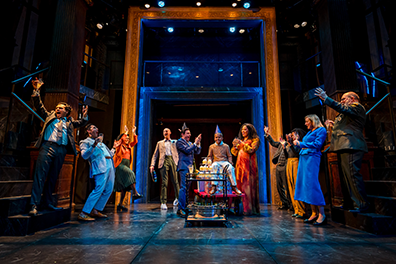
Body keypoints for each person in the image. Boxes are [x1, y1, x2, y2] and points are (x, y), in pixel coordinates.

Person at [29, 78, 89, 216]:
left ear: (66, 112)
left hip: (61, 150)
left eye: (60, 108)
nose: (57, 109)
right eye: (56, 107)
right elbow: (38, 105)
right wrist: (37, 90)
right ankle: (34, 205)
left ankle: (48, 203)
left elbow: (81, 123)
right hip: (47, 147)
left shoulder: (69, 122)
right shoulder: (49, 116)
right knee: (40, 176)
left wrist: (85, 116)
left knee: (53, 177)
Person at [315, 88, 369, 213]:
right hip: (344, 145)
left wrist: (326, 98)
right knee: (345, 177)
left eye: (344, 98)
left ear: (352, 99)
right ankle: (349, 203)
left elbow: (343, 109)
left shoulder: (357, 107)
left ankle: (361, 204)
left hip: (351, 145)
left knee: (352, 175)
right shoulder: (348, 111)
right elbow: (348, 124)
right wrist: (334, 125)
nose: (342, 101)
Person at [293, 114, 327, 225]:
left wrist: (301, 143)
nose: (305, 123)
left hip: (312, 158)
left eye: (307, 121)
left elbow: (317, 144)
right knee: (306, 185)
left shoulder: (321, 130)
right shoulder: (309, 132)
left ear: (313, 121)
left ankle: (322, 214)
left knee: (313, 184)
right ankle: (314, 213)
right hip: (304, 158)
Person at [78, 124, 115, 221]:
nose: (97, 129)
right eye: (94, 128)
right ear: (88, 131)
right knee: (98, 189)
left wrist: (115, 147)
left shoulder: (101, 143)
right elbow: (84, 156)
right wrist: (94, 145)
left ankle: (95, 210)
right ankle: (84, 213)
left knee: (109, 189)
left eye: (96, 128)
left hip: (109, 164)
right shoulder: (85, 142)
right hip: (100, 166)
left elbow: (109, 154)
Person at [231, 123, 260, 215]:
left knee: (247, 185)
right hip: (240, 165)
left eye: (245, 129)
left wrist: (242, 144)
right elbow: (234, 153)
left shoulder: (255, 140)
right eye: (242, 130)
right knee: (239, 185)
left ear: (250, 130)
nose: (243, 131)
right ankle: (238, 208)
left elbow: (251, 150)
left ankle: (248, 209)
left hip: (249, 166)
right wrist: (235, 146)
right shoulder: (242, 140)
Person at [113, 125, 143, 211]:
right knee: (131, 173)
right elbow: (119, 141)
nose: (127, 140)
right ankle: (135, 193)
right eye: (126, 138)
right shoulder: (119, 146)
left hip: (126, 165)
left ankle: (120, 204)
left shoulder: (128, 146)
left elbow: (135, 141)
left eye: (128, 139)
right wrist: (125, 132)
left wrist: (133, 132)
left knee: (124, 188)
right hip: (120, 165)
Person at [150, 128, 180, 210]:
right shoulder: (159, 143)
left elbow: (182, 143)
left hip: (173, 160)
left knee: (175, 180)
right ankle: (163, 202)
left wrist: (182, 133)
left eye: (167, 131)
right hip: (163, 161)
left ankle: (178, 198)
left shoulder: (175, 142)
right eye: (164, 131)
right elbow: (155, 155)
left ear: (170, 132)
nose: (165, 132)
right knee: (164, 182)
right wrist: (152, 165)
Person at [207, 125, 242, 195]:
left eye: (219, 137)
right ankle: (214, 186)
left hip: (224, 161)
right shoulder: (211, 146)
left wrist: (230, 161)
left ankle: (234, 186)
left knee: (230, 168)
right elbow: (209, 156)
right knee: (213, 167)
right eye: (216, 137)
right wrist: (209, 162)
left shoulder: (226, 146)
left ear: (222, 138)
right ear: (214, 138)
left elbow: (229, 155)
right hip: (216, 162)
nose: (218, 139)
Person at [176, 123, 202, 217]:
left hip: (190, 168)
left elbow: (197, 152)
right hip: (183, 167)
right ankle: (180, 209)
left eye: (190, 133)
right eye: (187, 133)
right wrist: (195, 143)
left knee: (187, 188)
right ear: (182, 134)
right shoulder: (179, 142)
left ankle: (185, 207)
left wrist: (198, 144)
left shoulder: (190, 143)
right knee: (183, 187)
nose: (189, 135)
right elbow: (187, 150)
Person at [264, 126, 292, 210]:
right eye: (287, 135)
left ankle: (291, 204)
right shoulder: (281, 144)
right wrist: (267, 134)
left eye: (290, 135)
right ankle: (284, 203)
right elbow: (273, 143)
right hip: (278, 166)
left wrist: (285, 147)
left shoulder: (291, 145)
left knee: (286, 186)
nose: (288, 136)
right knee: (279, 186)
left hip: (285, 166)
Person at [285, 128, 307, 218]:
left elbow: (297, 152)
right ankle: (296, 209)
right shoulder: (291, 143)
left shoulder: (300, 143)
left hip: (296, 162)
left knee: (297, 186)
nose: (292, 136)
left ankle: (302, 211)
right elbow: (287, 155)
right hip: (289, 163)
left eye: (294, 134)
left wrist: (291, 143)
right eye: (292, 134)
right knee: (291, 186)